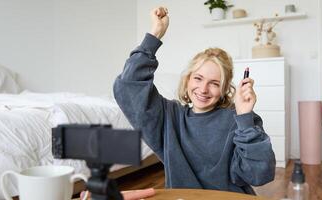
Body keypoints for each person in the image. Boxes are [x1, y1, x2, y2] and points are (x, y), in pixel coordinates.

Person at [113, 7, 275, 195]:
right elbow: (128, 86)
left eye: (214, 83)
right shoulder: (169, 117)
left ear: (224, 89)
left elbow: (260, 175)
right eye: (198, 78)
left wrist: (245, 117)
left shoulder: (238, 119)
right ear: (187, 79)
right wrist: (155, 34)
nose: (203, 89)